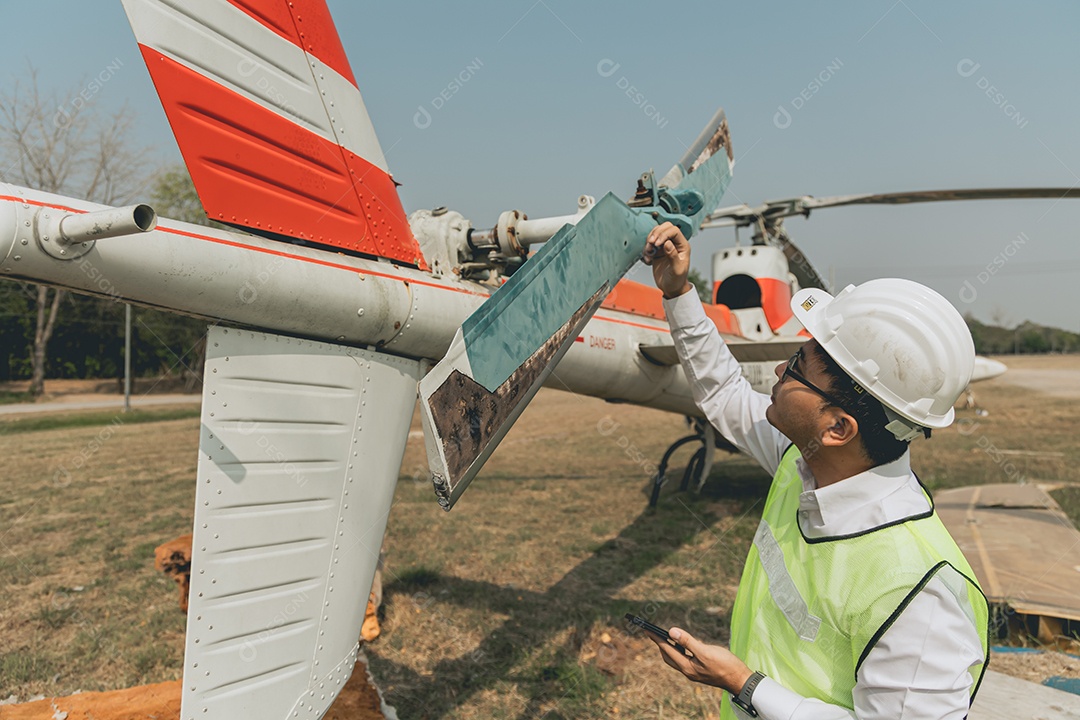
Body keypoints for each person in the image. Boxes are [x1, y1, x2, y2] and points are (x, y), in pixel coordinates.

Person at [640, 222, 990, 719]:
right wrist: (677, 292)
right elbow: (723, 393)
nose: (780, 372)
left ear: (838, 427)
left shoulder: (918, 593)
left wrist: (745, 684)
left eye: (797, 367)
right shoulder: (801, 464)